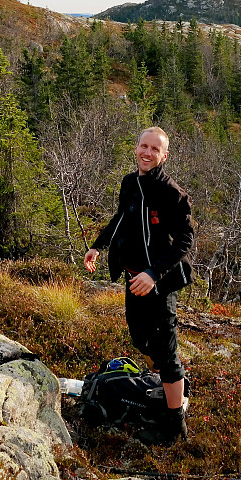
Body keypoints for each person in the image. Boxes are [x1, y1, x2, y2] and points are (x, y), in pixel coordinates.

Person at [84, 127, 194, 444]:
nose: (147, 153)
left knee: (165, 348)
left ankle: (174, 424)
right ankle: (167, 386)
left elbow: (187, 239)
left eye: (154, 149)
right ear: (137, 148)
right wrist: (97, 245)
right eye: (143, 146)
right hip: (134, 278)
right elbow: (121, 217)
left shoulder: (172, 193)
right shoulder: (130, 183)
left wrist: (153, 273)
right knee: (140, 338)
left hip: (158, 283)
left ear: (164, 156)